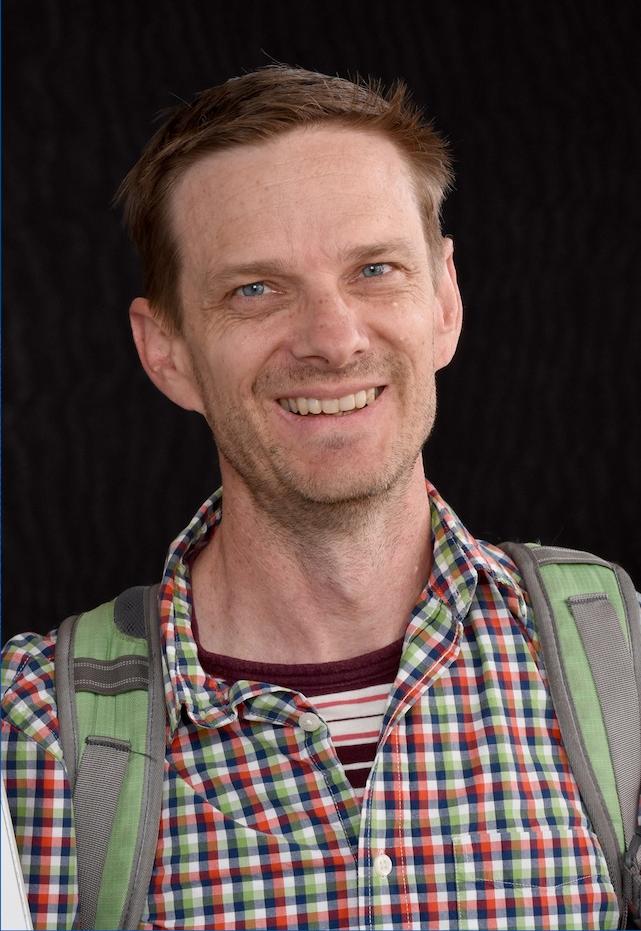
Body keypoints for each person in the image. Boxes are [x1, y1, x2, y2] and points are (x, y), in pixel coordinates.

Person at [2, 66, 636, 931]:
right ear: (166, 351)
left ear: (444, 301)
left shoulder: (620, 660)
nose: (333, 340)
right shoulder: (30, 737)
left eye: (374, 269)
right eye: (254, 289)